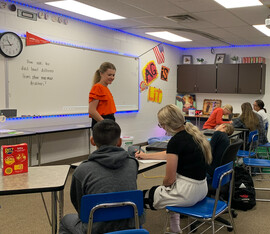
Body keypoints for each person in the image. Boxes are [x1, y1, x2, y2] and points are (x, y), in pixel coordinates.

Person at [135, 104, 212, 233]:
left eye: (161, 125)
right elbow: (169, 154)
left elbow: (169, 179)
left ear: (166, 124)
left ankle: (133, 229)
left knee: (142, 196)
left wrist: (164, 186)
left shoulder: (175, 141)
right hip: (202, 189)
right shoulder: (192, 134)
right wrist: (146, 156)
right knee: (170, 190)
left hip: (187, 193)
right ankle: (174, 228)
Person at [59, 119, 139, 234]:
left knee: (66, 220)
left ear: (92, 141)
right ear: (120, 142)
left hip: (95, 228)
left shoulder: (81, 170)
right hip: (131, 223)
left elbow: (79, 205)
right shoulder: (132, 164)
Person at [89, 62, 117, 128]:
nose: (112, 77)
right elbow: (92, 111)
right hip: (102, 124)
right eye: (109, 75)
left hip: (108, 122)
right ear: (101, 74)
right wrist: (105, 124)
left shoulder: (105, 88)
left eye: (113, 75)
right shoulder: (97, 87)